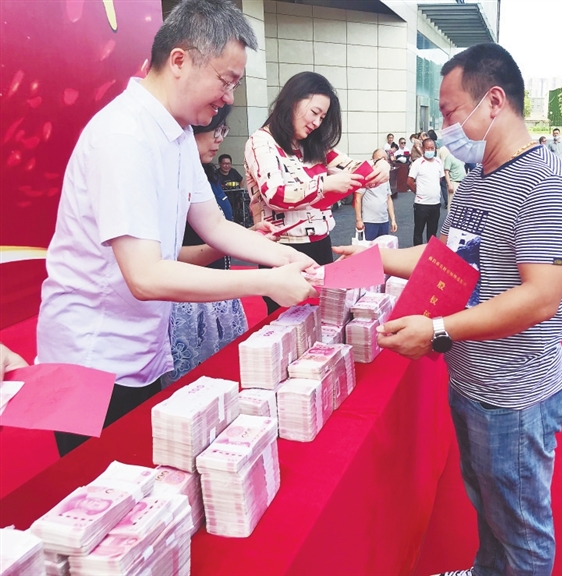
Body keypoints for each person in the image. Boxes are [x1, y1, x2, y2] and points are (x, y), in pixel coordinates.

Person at [335, 43, 562, 576]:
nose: (445, 127)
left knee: (521, 527)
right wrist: (366, 258)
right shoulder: (475, 182)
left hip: (515, 391)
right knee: (487, 504)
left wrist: (439, 330)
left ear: (493, 101)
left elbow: (541, 298)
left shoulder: (548, 183)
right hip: (471, 376)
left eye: (450, 112)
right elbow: (445, 258)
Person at [38, 0, 317, 457]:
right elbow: (146, 276)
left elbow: (214, 224)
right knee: (100, 484)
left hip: (142, 345)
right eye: (226, 80)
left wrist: (287, 257)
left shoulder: (178, 132)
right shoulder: (124, 135)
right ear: (180, 60)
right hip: (90, 358)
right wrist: (267, 282)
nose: (229, 97)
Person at [244, 70, 389, 312]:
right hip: (281, 247)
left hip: (320, 241)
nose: (317, 122)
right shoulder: (261, 142)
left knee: (322, 314)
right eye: (314, 112)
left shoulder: (314, 145)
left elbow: (352, 167)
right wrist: (325, 185)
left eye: (322, 117)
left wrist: (381, 164)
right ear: (292, 101)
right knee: (286, 319)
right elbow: (275, 194)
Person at [163, 105, 258, 387]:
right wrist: (234, 244)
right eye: (214, 130)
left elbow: (219, 228)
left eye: (222, 131)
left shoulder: (207, 175)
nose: (219, 139)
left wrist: (249, 236)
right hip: (190, 299)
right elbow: (167, 258)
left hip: (220, 291)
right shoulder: (169, 179)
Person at [355, 149, 397, 241]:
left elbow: (388, 199)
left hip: (384, 220)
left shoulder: (385, 178)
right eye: (379, 159)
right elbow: (357, 198)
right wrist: (359, 220)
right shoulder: (366, 177)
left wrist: (393, 220)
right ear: (373, 160)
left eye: (385, 159)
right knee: (369, 247)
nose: (382, 162)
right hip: (369, 221)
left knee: (383, 247)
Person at [407, 137, 443, 246]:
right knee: (418, 231)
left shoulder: (438, 162)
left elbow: (440, 178)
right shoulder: (418, 163)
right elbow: (409, 181)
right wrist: (419, 193)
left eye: (432, 148)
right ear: (423, 149)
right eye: (428, 148)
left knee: (432, 233)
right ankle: (417, 253)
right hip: (421, 204)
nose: (430, 150)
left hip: (435, 203)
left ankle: (430, 253)